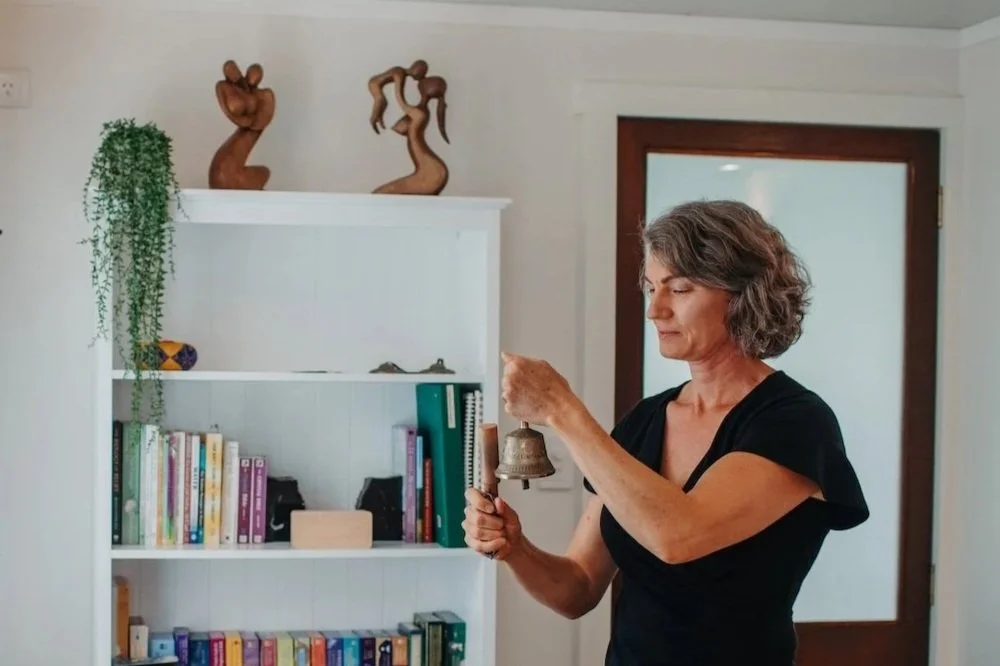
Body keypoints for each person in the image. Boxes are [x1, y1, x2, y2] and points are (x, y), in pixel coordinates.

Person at [462, 200, 870, 666]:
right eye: (651, 287)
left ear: (742, 295)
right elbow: (577, 589)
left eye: (679, 289)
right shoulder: (646, 420)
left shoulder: (794, 423)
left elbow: (679, 536)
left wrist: (561, 408)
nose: (655, 309)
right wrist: (516, 548)